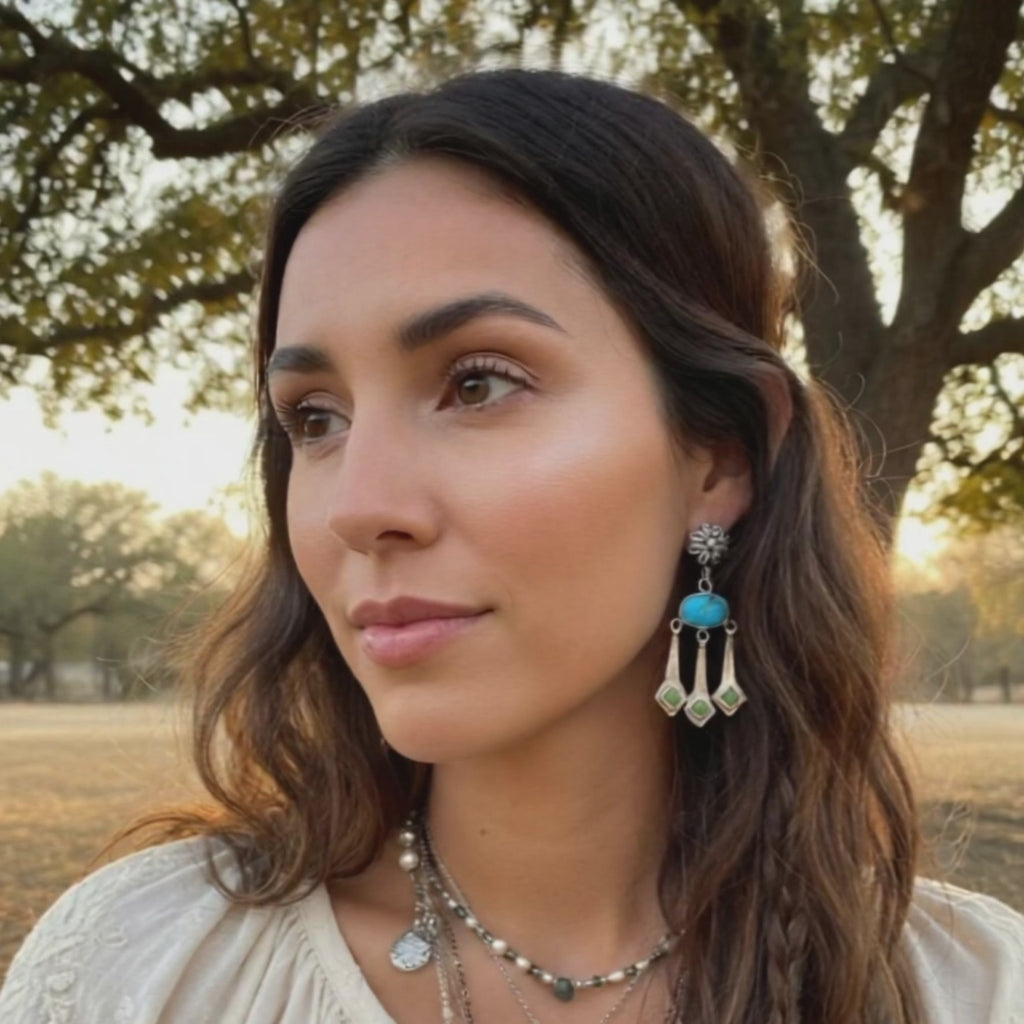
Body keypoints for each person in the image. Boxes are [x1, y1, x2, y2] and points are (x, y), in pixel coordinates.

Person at [1, 66, 1022, 1024]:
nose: (359, 506)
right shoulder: (139, 970)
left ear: (715, 457)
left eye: (477, 382)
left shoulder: (971, 990)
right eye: (314, 417)